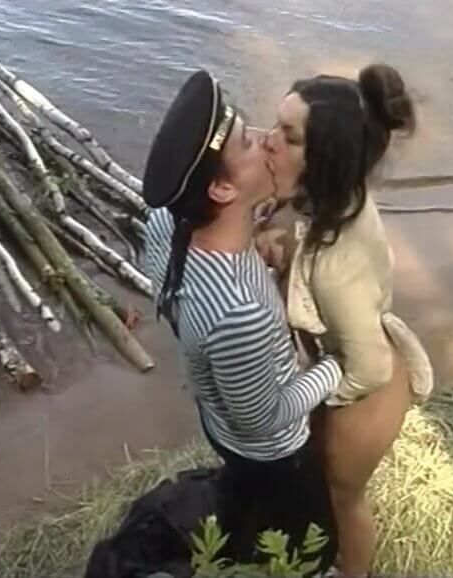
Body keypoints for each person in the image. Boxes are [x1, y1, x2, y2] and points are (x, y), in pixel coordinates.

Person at [140, 69, 344, 574]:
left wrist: (254, 228)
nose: (266, 138)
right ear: (221, 189)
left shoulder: (167, 223)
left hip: (217, 421)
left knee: (247, 498)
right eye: (247, 142)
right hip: (272, 451)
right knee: (311, 547)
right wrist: (337, 366)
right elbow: (266, 417)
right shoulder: (240, 313)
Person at [256, 64, 434, 578]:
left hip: (367, 388)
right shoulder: (337, 197)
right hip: (353, 357)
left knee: (342, 493)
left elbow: (369, 368)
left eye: (289, 136)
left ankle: (353, 571)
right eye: (275, 125)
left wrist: (307, 396)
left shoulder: (336, 269)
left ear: (323, 159)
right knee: (319, 479)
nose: (268, 141)